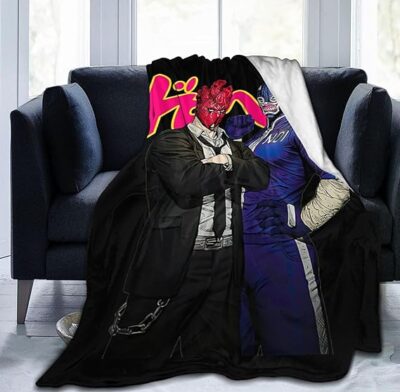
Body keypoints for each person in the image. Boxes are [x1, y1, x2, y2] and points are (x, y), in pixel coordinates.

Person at [100, 79, 270, 369]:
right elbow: (189, 181)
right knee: (138, 349)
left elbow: (261, 175)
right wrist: (231, 166)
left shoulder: (234, 147)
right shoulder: (170, 142)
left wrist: (226, 161)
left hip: (226, 257)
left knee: (209, 350)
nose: (215, 115)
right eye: (210, 107)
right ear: (196, 104)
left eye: (221, 109)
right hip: (180, 256)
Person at [224, 83, 351, 357]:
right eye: (261, 93)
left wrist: (298, 219)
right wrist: (234, 142)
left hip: (277, 250)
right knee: (238, 356)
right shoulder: (257, 136)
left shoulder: (296, 128)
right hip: (236, 250)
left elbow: (338, 186)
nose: (264, 98)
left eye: (270, 90)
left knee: (299, 356)